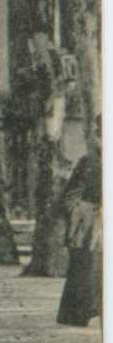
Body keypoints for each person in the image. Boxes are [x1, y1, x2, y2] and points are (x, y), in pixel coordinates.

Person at [56, 138, 102, 328]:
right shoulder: (88, 161)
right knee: (85, 267)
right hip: (89, 223)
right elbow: (71, 195)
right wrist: (81, 213)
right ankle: (77, 313)